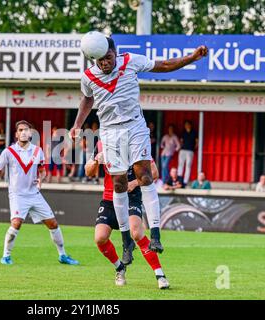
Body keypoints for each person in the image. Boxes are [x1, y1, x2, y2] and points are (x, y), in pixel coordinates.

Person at [70, 34, 207, 255]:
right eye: (100, 60)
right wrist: (78, 124)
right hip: (110, 132)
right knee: (119, 184)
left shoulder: (130, 60)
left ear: (115, 52)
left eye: (108, 57)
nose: (105, 63)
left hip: (135, 127)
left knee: (144, 176)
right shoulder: (88, 77)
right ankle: (126, 241)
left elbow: (163, 65)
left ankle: (155, 234)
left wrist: (191, 58)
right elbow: (87, 99)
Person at [0, 120, 79, 266]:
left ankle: (63, 255)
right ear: (16, 134)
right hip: (17, 195)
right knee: (16, 223)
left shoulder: (37, 151)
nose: (23, 132)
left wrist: (41, 179)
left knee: (53, 223)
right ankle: (6, 256)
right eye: (20, 130)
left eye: (26, 130)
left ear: (31, 133)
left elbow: (42, 170)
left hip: (34, 194)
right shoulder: (9, 152)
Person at [85, 141, 169, 289]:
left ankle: (160, 275)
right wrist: (97, 161)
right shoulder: (102, 143)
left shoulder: (136, 140)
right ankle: (120, 268)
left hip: (131, 197)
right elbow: (88, 172)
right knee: (100, 238)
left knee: (136, 233)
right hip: (109, 199)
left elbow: (154, 172)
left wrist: (134, 183)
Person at [178, 120, 198, 185]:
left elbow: (197, 141)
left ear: (190, 125)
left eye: (187, 124)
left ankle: (185, 181)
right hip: (183, 150)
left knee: (188, 166)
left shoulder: (194, 132)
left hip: (190, 151)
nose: (186, 126)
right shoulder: (183, 132)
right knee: (180, 165)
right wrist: (181, 147)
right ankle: (179, 179)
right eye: (185, 124)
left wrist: (194, 148)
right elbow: (181, 141)